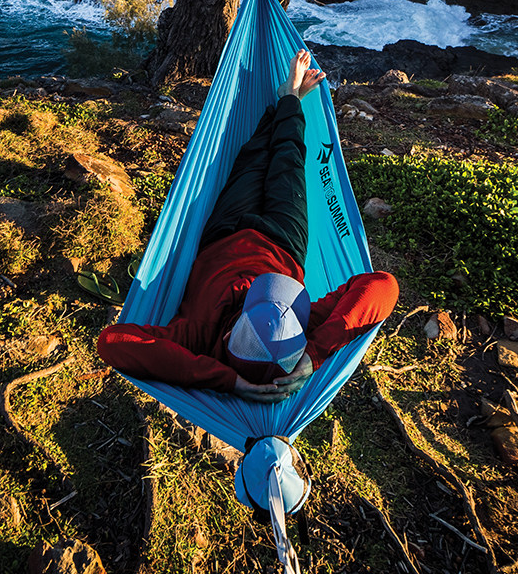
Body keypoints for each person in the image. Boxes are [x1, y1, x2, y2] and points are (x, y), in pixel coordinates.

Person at [97, 50, 399, 402]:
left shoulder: (198, 334)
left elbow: (113, 342)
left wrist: (226, 380)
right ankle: (291, 97)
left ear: (228, 337)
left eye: (252, 303)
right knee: (288, 157)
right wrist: (314, 354)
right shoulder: (295, 334)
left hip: (224, 233)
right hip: (285, 241)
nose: (252, 289)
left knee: (253, 157)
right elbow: (383, 285)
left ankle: (288, 97)